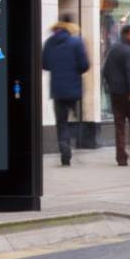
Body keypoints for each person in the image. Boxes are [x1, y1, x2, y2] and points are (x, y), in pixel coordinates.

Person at [42, 14, 90, 166]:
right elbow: (84, 65)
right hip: (74, 89)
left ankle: (65, 153)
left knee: (61, 123)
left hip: (57, 90)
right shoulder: (76, 42)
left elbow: (45, 65)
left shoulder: (49, 42)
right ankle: (77, 142)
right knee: (75, 118)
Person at [102, 25, 130, 166]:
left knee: (119, 125)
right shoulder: (129, 52)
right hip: (129, 94)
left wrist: (111, 87)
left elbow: (106, 70)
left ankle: (121, 157)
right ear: (126, 35)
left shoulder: (113, 49)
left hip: (116, 94)